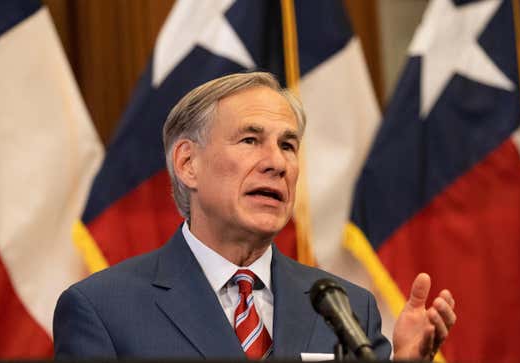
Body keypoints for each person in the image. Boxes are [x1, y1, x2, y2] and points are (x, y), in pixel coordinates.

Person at [53, 72, 456, 360]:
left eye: (288, 145)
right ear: (188, 163)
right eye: (250, 140)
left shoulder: (348, 308)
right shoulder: (103, 311)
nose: (277, 163)